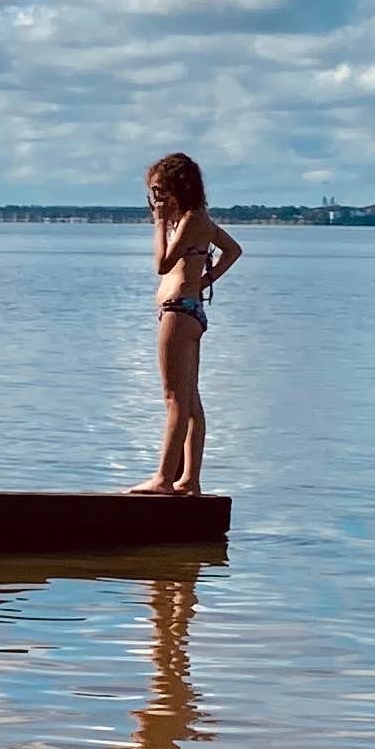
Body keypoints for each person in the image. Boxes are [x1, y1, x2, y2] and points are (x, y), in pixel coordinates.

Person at [132, 149, 240, 497]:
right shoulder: (201, 219)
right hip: (189, 309)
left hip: (179, 313)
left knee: (174, 398)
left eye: (161, 190)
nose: (157, 199)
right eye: (153, 193)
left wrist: (160, 223)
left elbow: (163, 263)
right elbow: (232, 250)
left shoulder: (192, 218)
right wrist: (205, 281)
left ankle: (164, 478)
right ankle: (189, 480)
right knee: (190, 400)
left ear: (180, 187)